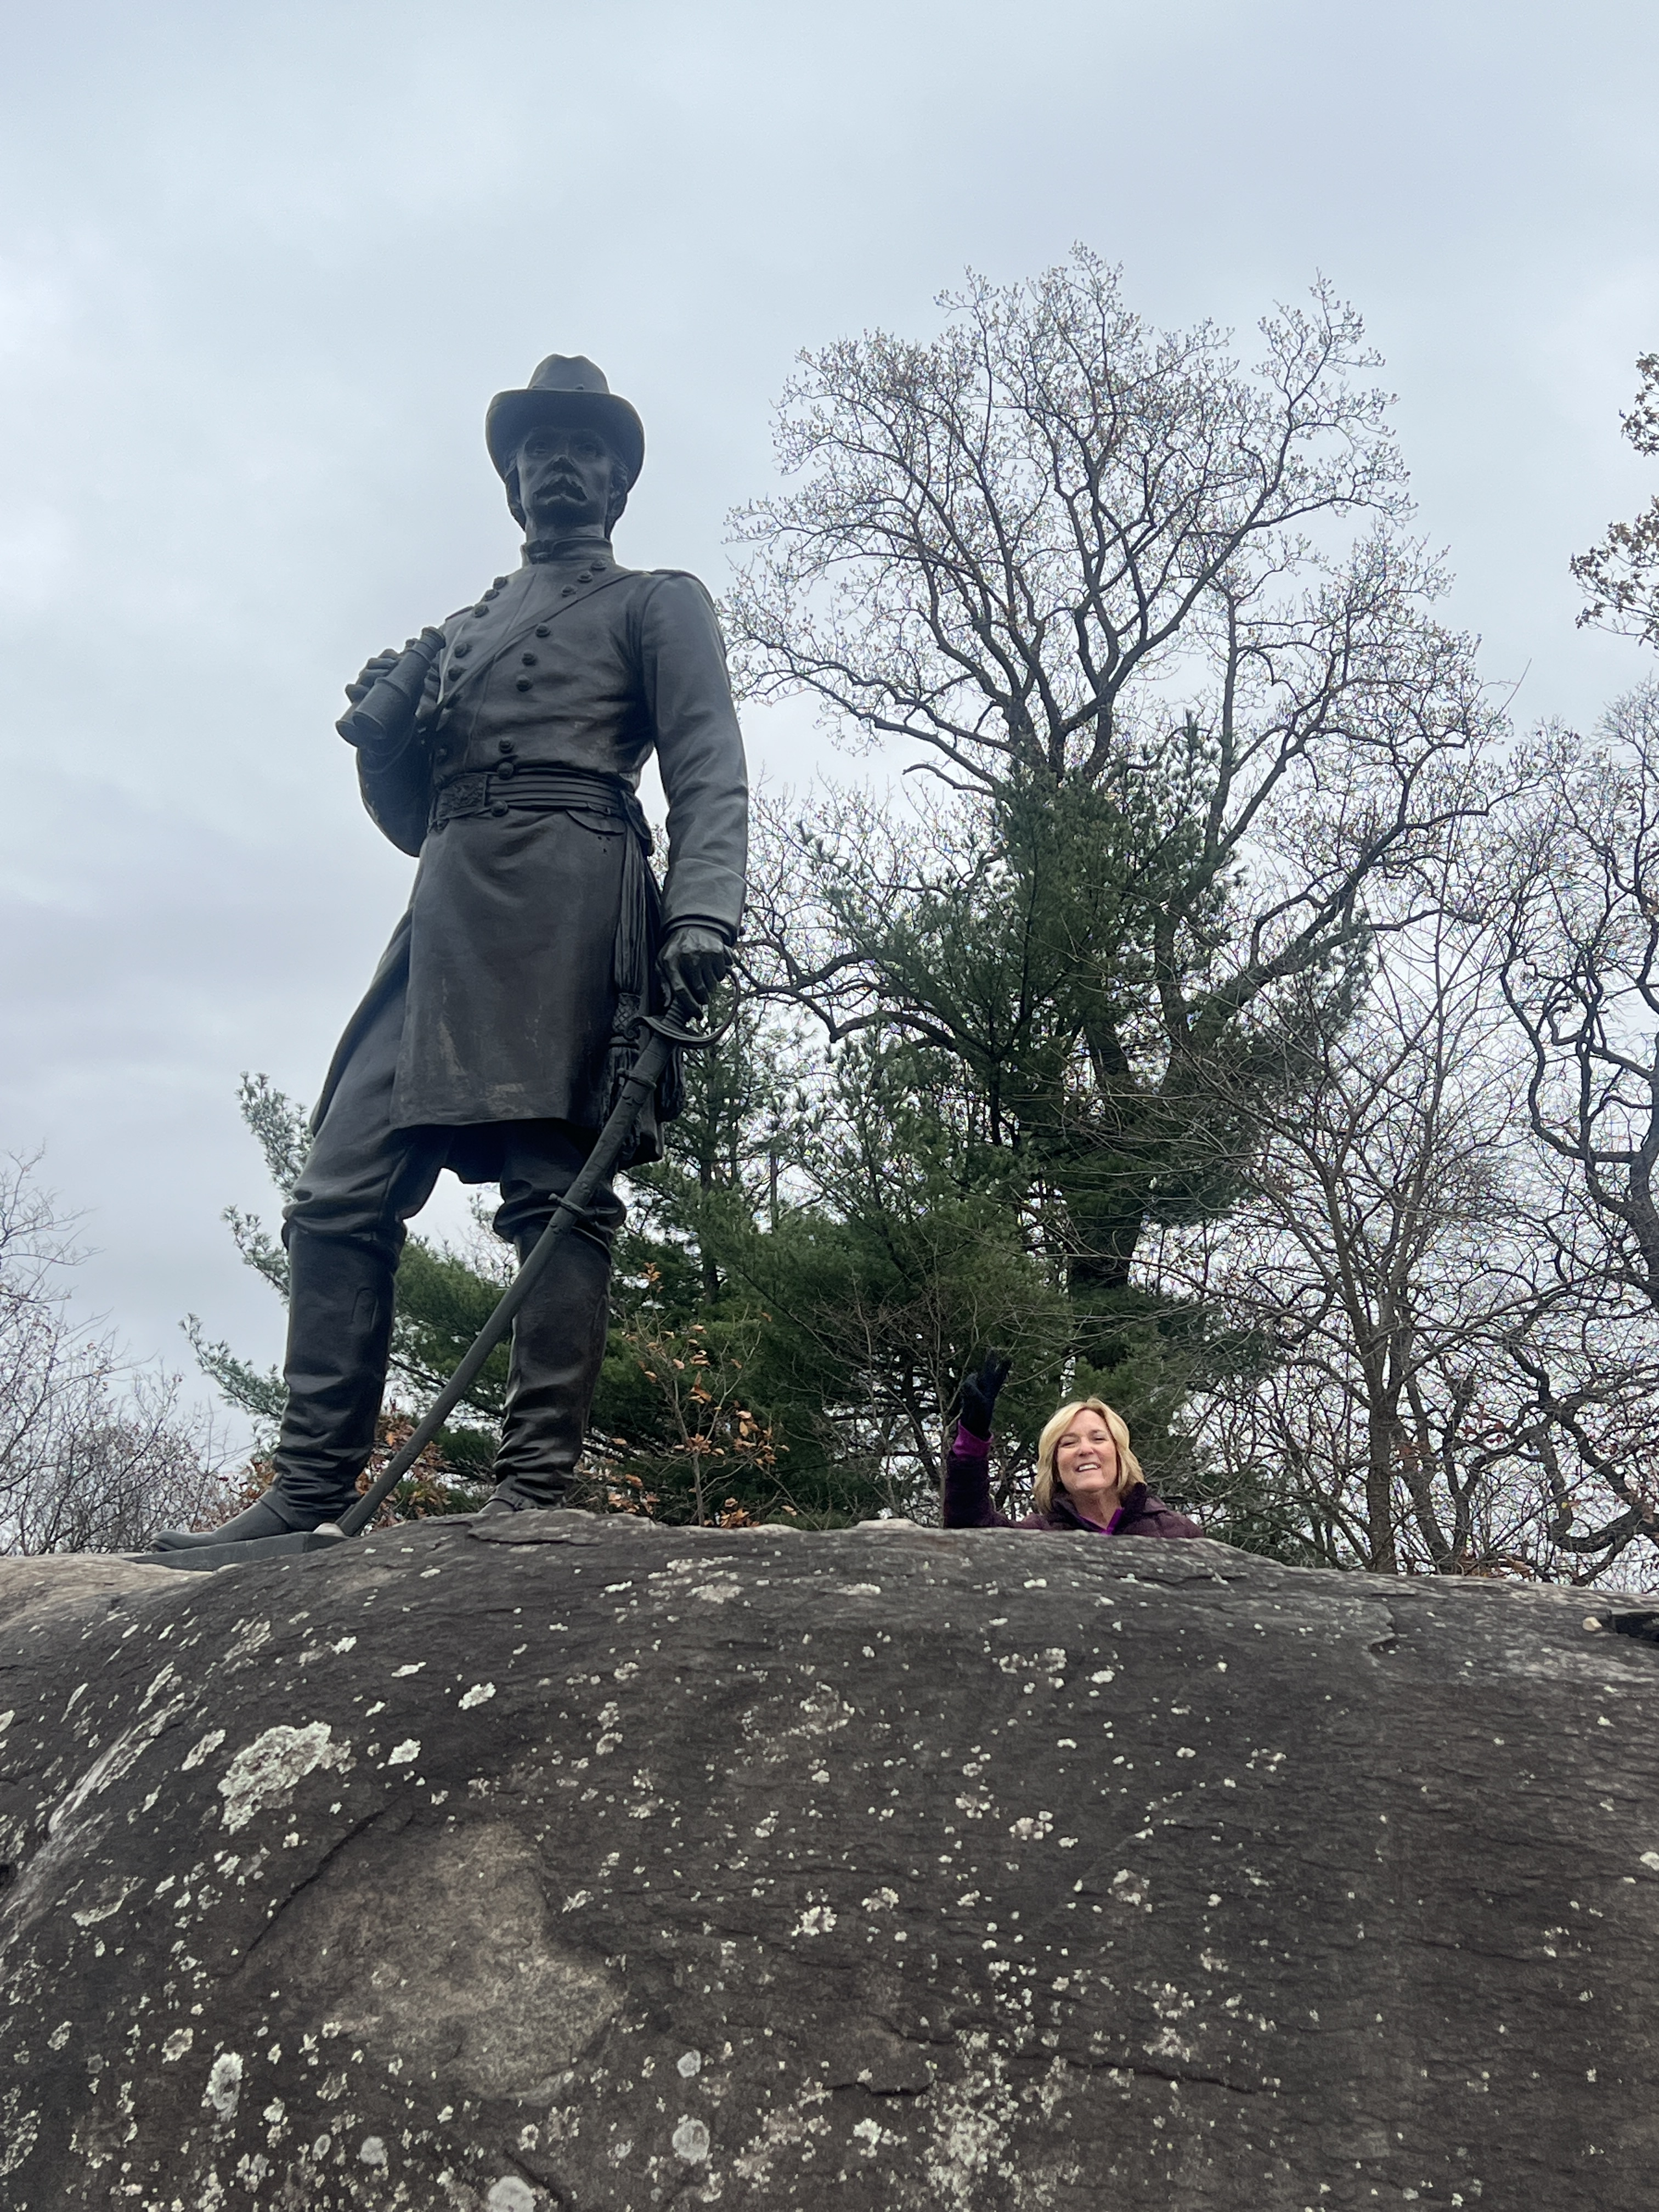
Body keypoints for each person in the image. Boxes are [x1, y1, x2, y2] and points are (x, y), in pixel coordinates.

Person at [155, 356, 747, 1551]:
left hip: (570, 893)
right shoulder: (461, 631)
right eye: (539, 451)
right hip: (445, 910)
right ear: (512, 481)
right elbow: (412, 820)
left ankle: (532, 1485)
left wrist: (702, 913)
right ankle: (309, 1486)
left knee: (553, 1190)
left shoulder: (656, 602)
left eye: (585, 449)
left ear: (619, 483)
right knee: (337, 1190)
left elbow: (707, 766)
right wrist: (379, 745)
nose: (560, 466)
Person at [941, 1355, 1201, 1537]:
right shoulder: (1038, 1537)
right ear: (1055, 1468)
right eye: (1068, 1443)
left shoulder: (1179, 1532)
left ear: (1120, 1455)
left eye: (1098, 1438)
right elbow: (971, 1531)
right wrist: (972, 1439)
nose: (1085, 1450)